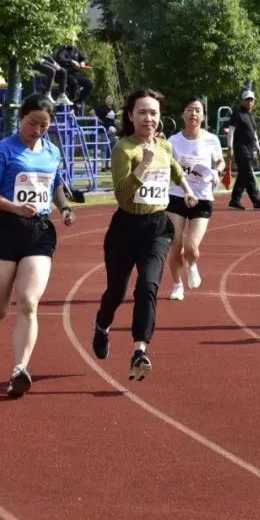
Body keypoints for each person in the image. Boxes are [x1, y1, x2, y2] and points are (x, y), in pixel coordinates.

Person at [92, 89, 198, 381]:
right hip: (126, 228)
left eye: (153, 113)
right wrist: (143, 164)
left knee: (148, 286)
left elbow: (175, 169)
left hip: (157, 228)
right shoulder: (123, 149)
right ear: (130, 115)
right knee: (117, 292)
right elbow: (122, 194)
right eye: (142, 112)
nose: (148, 118)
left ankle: (140, 350)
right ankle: (102, 325)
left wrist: (188, 192)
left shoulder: (163, 147)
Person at [0, 93, 76, 397]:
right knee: (0, 307)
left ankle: (19, 370)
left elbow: (55, 183)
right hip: (6, 228)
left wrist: (65, 207)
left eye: (44, 126)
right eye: (33, 123)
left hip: (39, 231)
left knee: (29, 302)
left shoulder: (52, 152)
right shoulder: (5, 150)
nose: (37, 130)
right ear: (22, 118)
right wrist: (15, 208)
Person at [166, 97, 225, 301]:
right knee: (176, 245)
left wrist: (216, 171)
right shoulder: (173, 141)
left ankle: (192, 263)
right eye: (190, 110)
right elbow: (167, 166)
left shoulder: (211, 139)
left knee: (191, 246)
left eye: (198, 110)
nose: (193, 114)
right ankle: (177, 284)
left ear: (203, 116)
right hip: (177, 195)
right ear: (183, 114)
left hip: (202, 197)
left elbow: (220, 161)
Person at [227, 90, 260, 210]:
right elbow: (231, 131)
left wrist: (259, 152)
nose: (249, 102)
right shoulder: (237, 114)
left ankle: (234, 200)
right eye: (247, 99)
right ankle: (256, 200)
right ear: (243, 101)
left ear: (254, 102)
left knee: (243, 175)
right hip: (240, 149)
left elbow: (255, 136)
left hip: (251, 149)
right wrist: (230, 148)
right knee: (249, 174)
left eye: (251, 100)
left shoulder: (251, 116)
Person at [54, 42, 93, 109]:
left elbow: (85, 58)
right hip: (65, 73)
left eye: (73, 41)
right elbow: (61, 59)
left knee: (89, 84)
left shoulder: (76, 50)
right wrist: (71, 61)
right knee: (74, 82)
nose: (72, 42)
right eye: (70, 40)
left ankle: (78, 102)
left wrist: (83, 62)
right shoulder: (63, 50)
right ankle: (70, 99)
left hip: (75, 74)